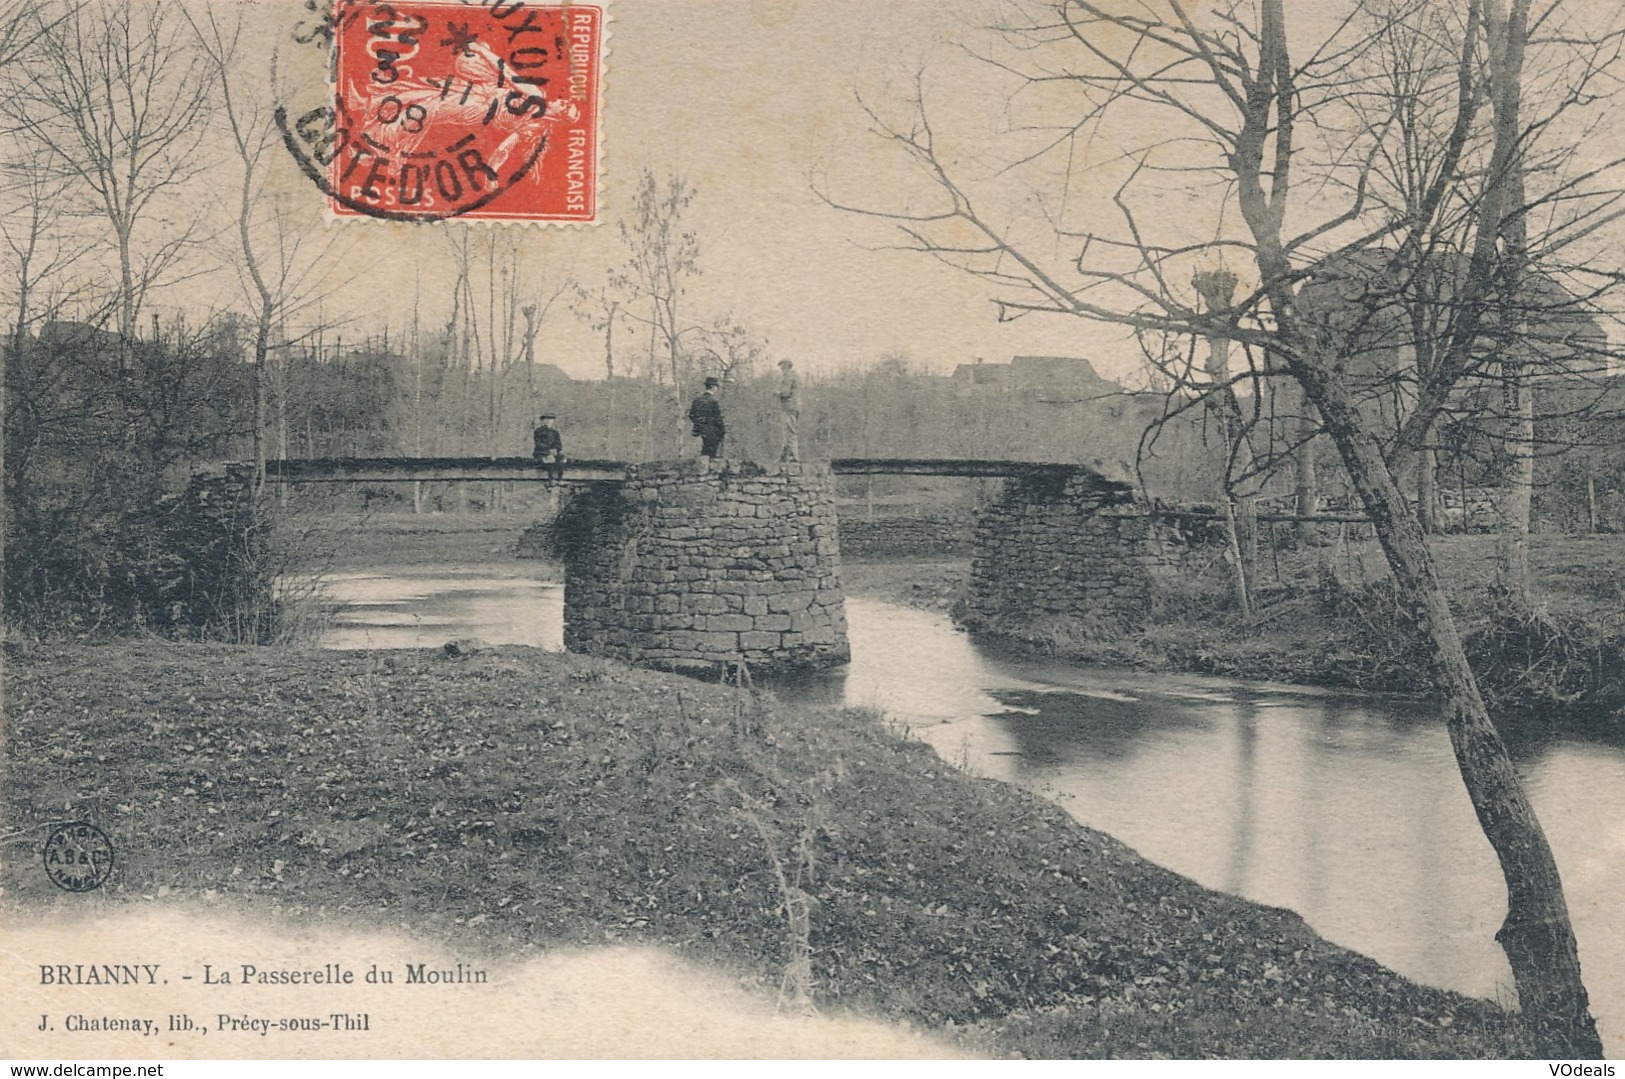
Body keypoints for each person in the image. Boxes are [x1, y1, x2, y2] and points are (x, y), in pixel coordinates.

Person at [688, 376, 725, 458]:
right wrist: (722, 431)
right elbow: (718, 419)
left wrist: (699, 425)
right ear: (712, 387)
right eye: (716, 387)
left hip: (698, 432)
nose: (716, 389)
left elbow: (691, 415)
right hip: (712, 432)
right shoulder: (713, 401)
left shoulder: (697, 400)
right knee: (711, 456)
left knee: (702, 456)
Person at [775, 358, 801, 461]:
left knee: (789, 431)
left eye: (782, 367)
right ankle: (784, 456)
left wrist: (777, 392)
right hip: (794, 407)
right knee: (787, 431)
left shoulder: (789, 377)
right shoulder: (795, 376)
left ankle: (794, 456)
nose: (781, 369)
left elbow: (785, 392)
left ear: (786, 366)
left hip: (788, 407)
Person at [532, 413, 565, 481]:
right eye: (546, 419)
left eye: (551, 419)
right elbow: (539, 444)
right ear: (542, 421)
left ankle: (560, 479)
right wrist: (548, 451)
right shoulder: (539, 431)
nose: (549, 421)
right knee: (550, 461)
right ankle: (551, 480)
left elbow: (558, 443)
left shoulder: (555, 432)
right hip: (541, 453)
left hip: (553, 452)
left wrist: (558, 450)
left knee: (562, 459)